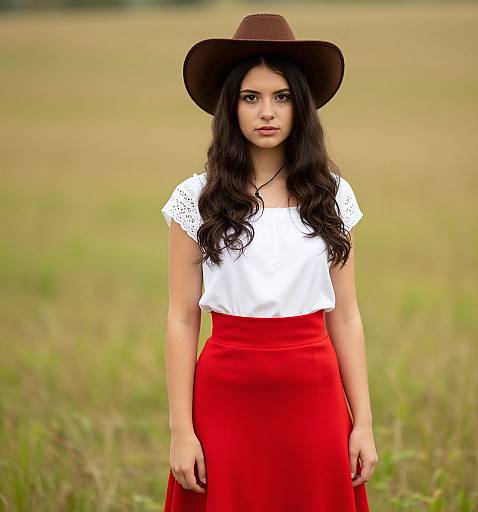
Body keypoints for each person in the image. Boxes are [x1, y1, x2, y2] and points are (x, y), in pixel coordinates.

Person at [160, 13, 378, 512]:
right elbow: (181, 317)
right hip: (226, 397)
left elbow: (345, 314)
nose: (267, 112)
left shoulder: (330, 195)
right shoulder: (196, 198)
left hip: (315, 396)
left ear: (300, 106)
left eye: (281, 97)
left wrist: (362, 420)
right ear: (229, 107)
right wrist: (181, 431)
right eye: (250, 97)